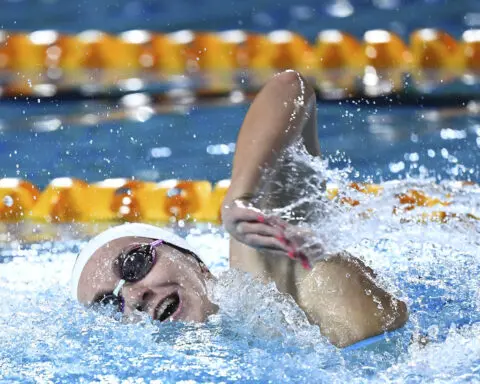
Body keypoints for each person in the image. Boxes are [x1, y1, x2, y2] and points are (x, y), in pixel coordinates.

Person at [71, 70, 408, 348]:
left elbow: (291, 87)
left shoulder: (265, 269)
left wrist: (241, 196)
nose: (133, 295)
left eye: (134, 264)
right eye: (111, 306)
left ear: (193, 261)